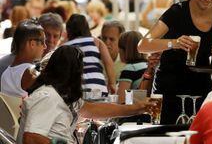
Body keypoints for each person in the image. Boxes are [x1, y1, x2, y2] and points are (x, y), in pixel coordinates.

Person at [17, 45, 153, 144]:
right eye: (79, 72)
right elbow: (31, 138)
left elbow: (93, 109)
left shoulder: (62, 94)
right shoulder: (47, 96)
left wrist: (138, 108)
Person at [64, 14, 116, 94]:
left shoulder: (66, 46)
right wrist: (112, 83)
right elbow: (108, 63)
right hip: (98, 85)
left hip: (77, 88)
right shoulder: (96, 41)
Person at [1, 19, 45, 97]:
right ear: (32, 44)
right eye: (43, 42)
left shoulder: (6, 73)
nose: (45, 46)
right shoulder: (29, 73)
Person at [117, 31, 147, 103]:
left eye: (119, 48)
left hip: (135, 111)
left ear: (124, 50)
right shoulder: (147, 65)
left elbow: (122, 100)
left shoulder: (130, 68)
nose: (118, 51)